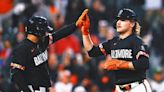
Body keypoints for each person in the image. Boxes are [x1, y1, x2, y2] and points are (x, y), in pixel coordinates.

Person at [10, 9, 88, 92]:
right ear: (37, 31)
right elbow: (16, 75)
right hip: (31, 89)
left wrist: (76, 25)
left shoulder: (42, 42)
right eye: (44, 30)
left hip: (43, 89)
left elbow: (59, 34)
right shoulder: (22, 49)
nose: (46, 33)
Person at [80, 8, 152, 92]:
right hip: (119, 88)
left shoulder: (137, 41)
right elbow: (92, 52)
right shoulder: (113, 42)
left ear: (132, 23)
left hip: (137, 87)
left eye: (123, 19)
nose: (118, 22)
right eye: (118, 19)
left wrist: (120, 64)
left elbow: (144, 63)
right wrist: (85, 33)